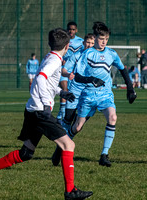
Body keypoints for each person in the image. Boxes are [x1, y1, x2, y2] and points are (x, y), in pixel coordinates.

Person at [0, 28, 93, 200]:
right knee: (68, 145)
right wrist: (47, 104)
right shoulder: (54, 62)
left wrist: (61, 92)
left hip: (32, 110)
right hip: (40, 112)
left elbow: (46, 83)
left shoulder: (50, 57)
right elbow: (40, 79)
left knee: (26, 153)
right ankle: (70, 191)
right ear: (67, 46)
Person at [53, 22, 137, 168]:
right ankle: (61, 147)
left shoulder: (111, 54)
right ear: (96, 37)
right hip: (88, 96)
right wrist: (91, 79)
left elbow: (123, 69)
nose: (104, 42)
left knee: (113, 117)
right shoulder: (87, 54)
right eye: (101, 38)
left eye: (106, 39)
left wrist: (130, 88)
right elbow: (77, 76)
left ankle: (104, 155)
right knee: (77, 127)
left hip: (105, 95)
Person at [52, 33, 96, 166]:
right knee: (67, 121)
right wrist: (68, 74)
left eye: (92, 43)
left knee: (77, 127)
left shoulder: (98, 58)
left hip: (90, 95)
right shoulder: (77, 56)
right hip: (75, 93)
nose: (90, 45)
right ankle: (60, 150)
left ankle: (60, 148)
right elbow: (64, 70)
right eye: (88, 42)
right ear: (83, 43)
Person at [57, 21, 84, 122]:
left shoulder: (81, 42)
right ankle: (62, 111)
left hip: (75, 71)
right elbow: (58, 52)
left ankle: (71, 112)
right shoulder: (63, 40)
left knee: (73, 93)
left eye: (73, 29)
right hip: (64, 69)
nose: (71, 31)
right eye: (69, 29)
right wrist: (61, 58)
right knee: (65, 89)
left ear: (76, 30)